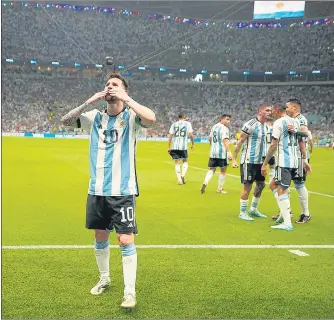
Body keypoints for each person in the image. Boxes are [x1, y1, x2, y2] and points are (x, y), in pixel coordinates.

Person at [61, 72, 156, 309]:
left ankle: (130, 292)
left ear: (123, 91)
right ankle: (104, 279)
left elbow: (152, 119)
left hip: (122, 191)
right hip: (97, 190)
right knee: (100, 236)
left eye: (115, 85)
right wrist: (88, 102)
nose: (109, 87)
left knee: (125, 240)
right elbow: (65, 121)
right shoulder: (94, 117)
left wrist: (128, 98)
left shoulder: (132, 117)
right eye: (107, 85)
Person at [262, 101, 311, 231]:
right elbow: (302, 140)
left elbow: (273, 144)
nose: (271, 112)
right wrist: (304, 159)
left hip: (284, 162)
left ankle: (287, 221)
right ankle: (284, 214)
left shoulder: (280, 122)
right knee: (273, 185)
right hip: (295, 161)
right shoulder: (295, 122)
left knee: (282, 189)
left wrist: (265, 163)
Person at [232, 104, 272, 221]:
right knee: (247, 186)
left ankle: (253, 209)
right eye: (267, 110)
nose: (269, 112)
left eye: (270, 110)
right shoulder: (250, 124)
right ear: (260, 112)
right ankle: (242, 212)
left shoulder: (265, 127)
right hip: (248, 160)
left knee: (261, 185)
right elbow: (240, 142)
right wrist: (234, 159)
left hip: (260, 162)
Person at [288, 99, 312, 224]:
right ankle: (286, 211)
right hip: (291, 155)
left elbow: (304, 133)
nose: (286, 109)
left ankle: (306, 213)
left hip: (299, 156)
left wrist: (294, 131)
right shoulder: (291, 119)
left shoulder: (301, 119)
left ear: (295, 108)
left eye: (288, 107)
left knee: (298, 184)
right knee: (283, 183)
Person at [201, 114, 232, 194]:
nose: (229, 121)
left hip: (213, 152)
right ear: (221, 119)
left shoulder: (214, 126)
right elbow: (225, 141)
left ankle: (205, 182)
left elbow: (210, 139)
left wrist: (212, 147)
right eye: (227, 119)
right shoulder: (225, 129)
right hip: (222, 152)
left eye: (229, 120)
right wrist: (229, 152)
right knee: (223, 170)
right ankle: (219, 189)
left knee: (212, 169)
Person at [168, 114, 194, 184]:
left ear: (178, 117)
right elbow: (191, 135)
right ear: (184, 117)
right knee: (185, 161)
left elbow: (170, 136)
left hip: (175, 146)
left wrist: (168, 146)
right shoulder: (188, 124)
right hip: (183, 147)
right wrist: (192, 144)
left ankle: (179, 179)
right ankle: (183, 175)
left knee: (177, 162)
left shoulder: (173, 124)